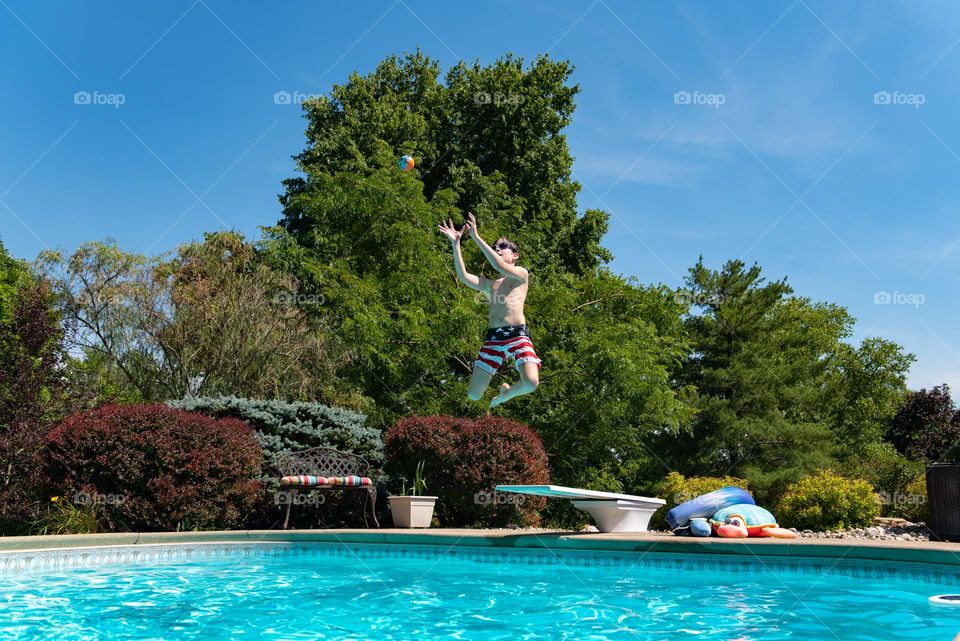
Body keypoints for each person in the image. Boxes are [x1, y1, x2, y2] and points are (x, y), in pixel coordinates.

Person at [438, 212, 541, 408]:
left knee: (531, 383)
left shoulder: (521, 275)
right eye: (496, 247)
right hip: (493, 339)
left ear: (515, 255)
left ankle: (506, 395)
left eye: (502, 247)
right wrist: (456, 245)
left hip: (517, 335)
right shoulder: (491, 285)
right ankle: (500, 392)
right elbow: (464, 276)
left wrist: (476, 236)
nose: (497, 249)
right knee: (474, 395)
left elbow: (498, 264)